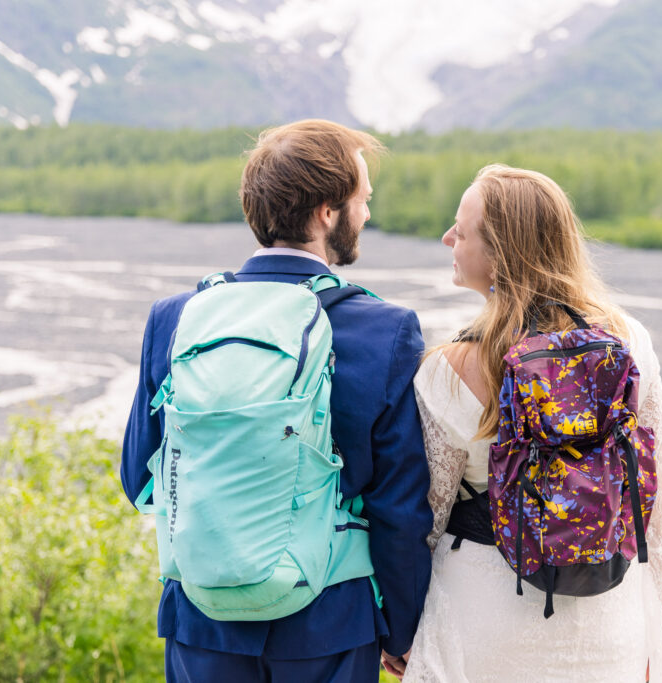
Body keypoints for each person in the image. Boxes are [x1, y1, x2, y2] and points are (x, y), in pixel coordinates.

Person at [121, 119, 433, 682]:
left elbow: (136, 476)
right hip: (329, 621)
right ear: (326, 213)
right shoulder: (384, 330)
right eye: (361, 199)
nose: (367, 212)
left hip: (201, 618)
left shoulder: (176, 318)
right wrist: (403, 629)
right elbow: (399, 509)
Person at [396, 165, 662, 682]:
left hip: (487, 617)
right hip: (609, 613)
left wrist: (399, 627)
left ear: (500, 254)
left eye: (462, 228)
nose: (447, 237)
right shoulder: (628, 342)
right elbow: (652, 504)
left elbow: (425, 519)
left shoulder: (449, 368)